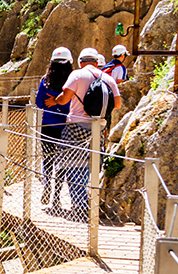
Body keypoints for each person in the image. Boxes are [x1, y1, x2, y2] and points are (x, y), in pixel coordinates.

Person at [45, 47, 121, 219]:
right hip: (99, 127)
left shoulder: (77, 75)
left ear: (80, 62)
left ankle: (80, 205)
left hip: (76, 125)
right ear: (96, 62)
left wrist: (56, 101)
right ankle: (87, 201)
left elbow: (64, 98)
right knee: (89, 162)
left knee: (72, 163)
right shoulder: (108, 78)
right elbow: (117, 105)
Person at [35, 47, 73, 206]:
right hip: (66, 125)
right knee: (63, 160)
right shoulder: (72, 81)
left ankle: (46, 185)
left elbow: (39, 103)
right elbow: (72, 103)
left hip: (48, 124)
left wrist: (51, 104)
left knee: (48, 158)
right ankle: (57, 195)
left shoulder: (45, 81)